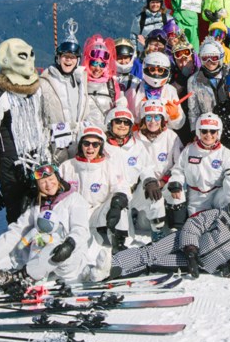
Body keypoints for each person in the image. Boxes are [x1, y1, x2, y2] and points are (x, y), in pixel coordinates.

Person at [0, 162, 102, 294]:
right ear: (37, 186)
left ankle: (18, 279)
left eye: (51, 179)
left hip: (68, 257)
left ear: (58, 178)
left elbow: (80, 229)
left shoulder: (74, 199)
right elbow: (17, 231)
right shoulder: (37, 206)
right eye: (43, 182)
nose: (48, 184)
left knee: (50, 250)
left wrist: (70, 244)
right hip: (39, 253)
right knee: (14, 254)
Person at [108, 187, 230, 279]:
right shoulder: (221, 215)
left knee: (154, 264)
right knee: (150, 252)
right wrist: (191, 249)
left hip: (199, 264)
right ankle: (109, 266)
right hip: (184, 242)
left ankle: (118, 274)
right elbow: (194, 224)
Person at [0, 38, 47, 225]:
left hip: (35, 156)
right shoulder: (1, 96)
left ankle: (36, 241)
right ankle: (15, 246)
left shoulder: (36, 91)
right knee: (16, 208)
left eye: (30, 55)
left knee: (38, 203)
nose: (28, 61)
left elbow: (41, 122)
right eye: (22, 56)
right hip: (11, 161)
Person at [60, 124, 130, 252]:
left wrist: (118, 202)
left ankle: (118, 246)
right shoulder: (67, 166)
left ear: (101, 146)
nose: (90, 148)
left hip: (97, 213)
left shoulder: (109, 166)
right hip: (74, 217)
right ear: (80, 144)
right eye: (86, 143)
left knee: (120, 203)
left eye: (95, 144)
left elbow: (122, 187)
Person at [165, 113, 230, 227]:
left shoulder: (225, 153)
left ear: (218, 133)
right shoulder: (189, 150)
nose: (208, 135)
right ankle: (177, 229)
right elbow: (179, 170)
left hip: (217, 193)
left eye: (213, 131)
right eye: (204, 131)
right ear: (198, 132)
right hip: (196, 195)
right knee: (198, 225)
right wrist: (176, 181)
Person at [102, 100, 159, 251]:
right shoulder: (102, 146)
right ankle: (118, 240)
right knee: (127, 240)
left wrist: (150, 180)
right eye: (118, 122)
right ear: (110, 123)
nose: (122, 125)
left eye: (126, 123)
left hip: (134, 192)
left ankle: (158, 234)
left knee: (155, 198)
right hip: (115, 197)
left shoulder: (137, 145)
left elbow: (147, 167)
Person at [134, 100, 184, 237]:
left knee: (178, 194)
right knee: (144, 226)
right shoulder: (135, 138)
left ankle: (176, 231)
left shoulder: (171, 136)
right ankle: (153, 233)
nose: (153, 122)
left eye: (157, 117)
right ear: (143, 119)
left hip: (165, 181)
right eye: (149, 117)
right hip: (145, 185)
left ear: (162, 119)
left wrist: (164, 181)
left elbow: (179, 163)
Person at [39, 25, 87, 164]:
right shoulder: (45, 81)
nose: (68, 60)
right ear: (58, 58)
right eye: (65, 56)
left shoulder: (81, 81)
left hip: (78, 140)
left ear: (77, 60)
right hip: (56, 142)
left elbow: (85, 110)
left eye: (72, 57)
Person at [126, 51, 186, 131]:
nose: (156, 73)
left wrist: (175, 115)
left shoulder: (170, 90)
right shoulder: (135, 88)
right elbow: (128, 117)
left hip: (163, 136)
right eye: (152, 69)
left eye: (160, 70)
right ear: (145, 69)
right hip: (140, 134)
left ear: (166, 72)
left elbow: (178, 125)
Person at [81, 35, 123, 128]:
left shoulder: (111, 84)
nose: (97, 68)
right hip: (85, 135)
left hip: (106, 134)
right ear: (87, 62)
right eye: (94, 63)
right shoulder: (80, 81)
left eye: (102, 65)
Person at [187, 40, 227, 131]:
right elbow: (193, 110)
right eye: (205, 58)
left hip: (229, 124)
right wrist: (195, 131)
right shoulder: (194, 80)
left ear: (220, 58)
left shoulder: (229, 74)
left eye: (214, 58)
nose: (210, 62)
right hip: (209, 127)